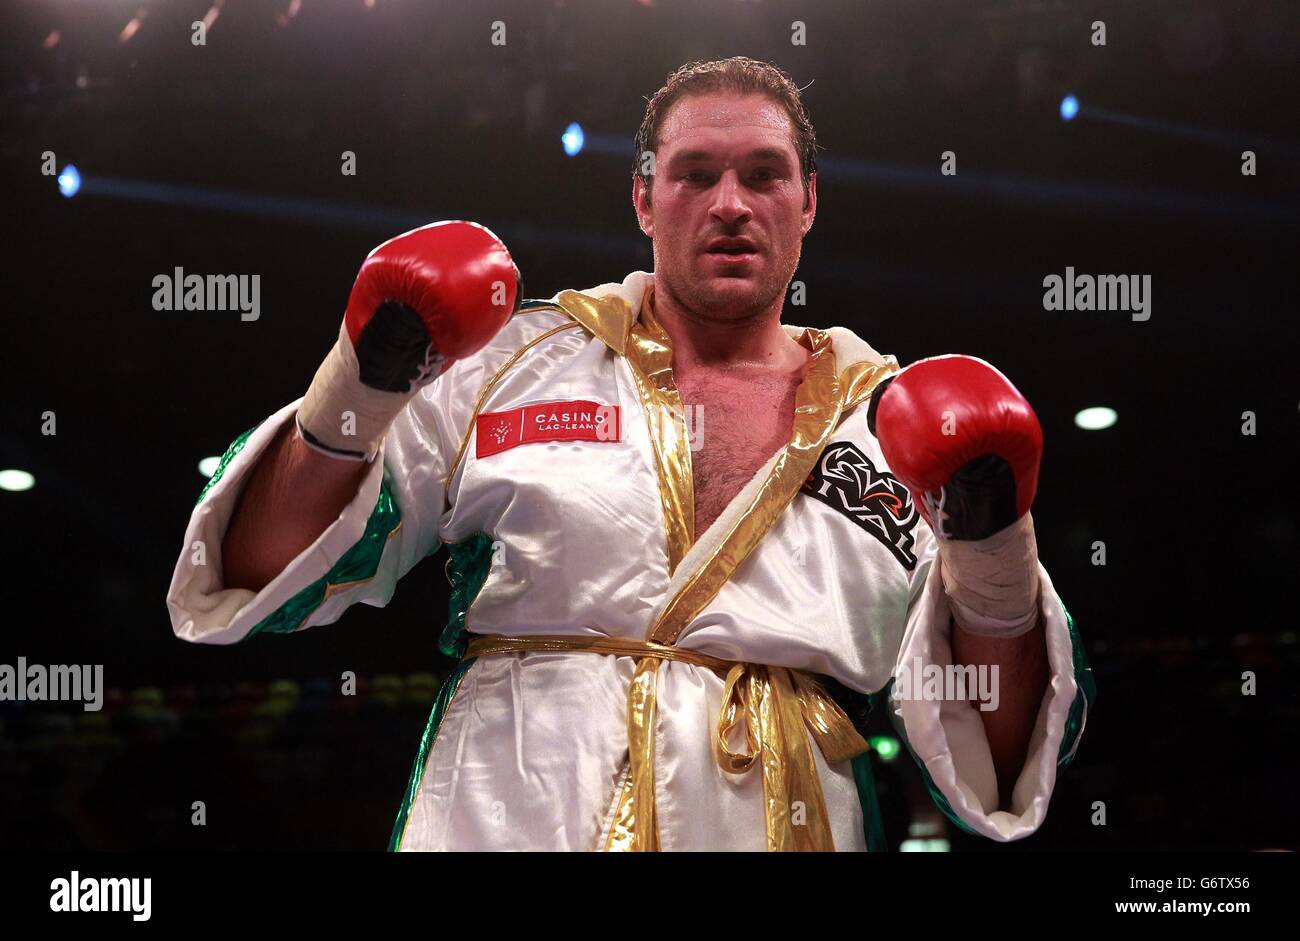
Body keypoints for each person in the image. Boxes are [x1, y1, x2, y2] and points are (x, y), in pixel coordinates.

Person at [167, 57, 1094, 851]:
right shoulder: (514, 362)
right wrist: (358, 385)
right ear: (644, 197)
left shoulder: (890, 424)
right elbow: (255, 574)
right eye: (694, 174)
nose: (730, 204)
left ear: (808, 201)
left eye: (764, 174)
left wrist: (992, 543)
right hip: (516, 811)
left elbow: (996, 755)